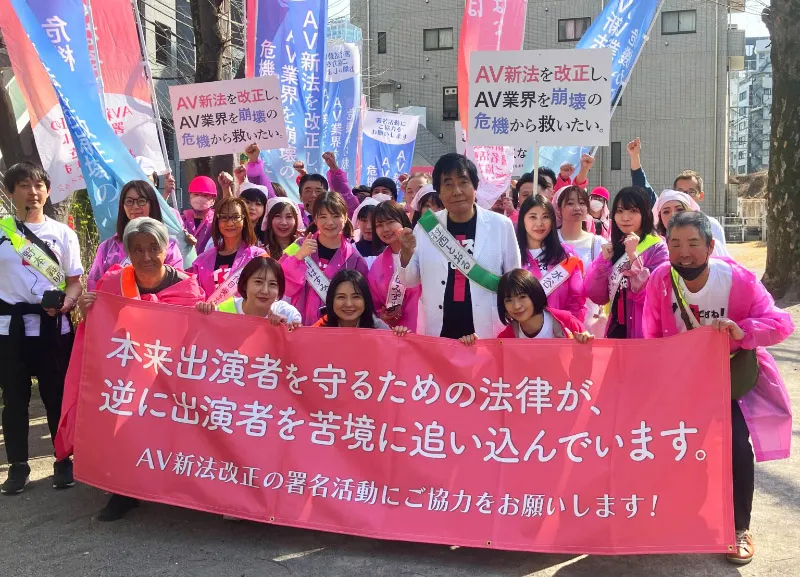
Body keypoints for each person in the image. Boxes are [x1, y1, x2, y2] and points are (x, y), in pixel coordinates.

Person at [643, 211, 794, 565]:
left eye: (693, 244)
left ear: (711, 246)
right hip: (680, 382)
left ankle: (739, 529)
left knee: (736, 445)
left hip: (728, 382)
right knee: (669, 446)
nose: (684, 253)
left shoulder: (738, 279)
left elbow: (781, 323)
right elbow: (649, 334)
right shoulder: (660, 280)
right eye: (675, 244)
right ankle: (678, 518)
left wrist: (744, 330)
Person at [62, 217, 205, 521]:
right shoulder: (113, 283)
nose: (146, 256)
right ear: (128, 252)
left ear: (166, 249)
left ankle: (174, 485)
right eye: (137, 249)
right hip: (127, 375)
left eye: (154, 248)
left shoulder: (187, 288)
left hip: (169, 374)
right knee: (123, 427)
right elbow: (100, 331)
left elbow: (199, 338)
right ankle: (123, 491)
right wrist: (88, 312)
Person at [0, 162, 83, 495]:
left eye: (38, 186)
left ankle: (63, 459)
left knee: (56, 396)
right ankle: (18, 465)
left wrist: (67, 303)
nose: (32, 193)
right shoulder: (2, 231)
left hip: (51, 327)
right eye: (23, 186)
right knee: (14, 399)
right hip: (10, 329)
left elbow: (74, 282)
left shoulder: (63, 234)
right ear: (10, 192)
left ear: (47, 191)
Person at [399, 153, 520, 341]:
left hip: (486, 330)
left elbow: (514, 279)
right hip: (439, 330)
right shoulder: (426, 227)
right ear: (439, 192)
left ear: (475, 186)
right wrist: (406, 253)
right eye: (448, 184)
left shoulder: (501, 225)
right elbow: (410, 281)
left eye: (463, 182)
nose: (456, 191)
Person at [584, 186, 668, 339]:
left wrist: (633, 256)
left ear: (645, 213)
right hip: (616, 329)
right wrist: (603, 262)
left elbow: (656, 295)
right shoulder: (615, 246)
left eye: (633, 211)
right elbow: (596, 295)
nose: (625, 217)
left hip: (644, 332)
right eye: (620, 211)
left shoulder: (658, 247)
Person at [627, 137, 730, 255]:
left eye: (691, 192)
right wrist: (634, 157)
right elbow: (643, 189)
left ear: (700, 195)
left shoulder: (712, 226)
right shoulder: (656, 239)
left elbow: (723, 261)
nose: (673, 214)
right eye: (680, 191)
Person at [281, 192, 369, 325]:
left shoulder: (354, 259)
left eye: (336, 216)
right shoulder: (298, 246)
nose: (330, 222)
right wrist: (298, 258)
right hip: (298, 325)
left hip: (335, 329)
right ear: (315, 219)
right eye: (323, 216)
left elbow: (362, 300)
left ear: (345, 218)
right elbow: (282, 285)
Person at [88, 180, 183, 290]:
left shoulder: (169, 246)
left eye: (141, 201)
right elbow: (94, 284)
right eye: (129, 201)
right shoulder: (107, 247)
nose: (135, 206)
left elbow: (178, 286)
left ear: (152, 204)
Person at [516, 195, 586, 321]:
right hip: (523, 330)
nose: (539, 223)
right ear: (523, 220)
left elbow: (577, 300)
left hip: (560, 329)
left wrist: (566, 327)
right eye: (533, 217)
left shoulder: (566, 256)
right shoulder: (513, 256)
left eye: (545, 217)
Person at [188, 197, 266, 304]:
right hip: (210, 314)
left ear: (245, 220)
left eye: (236, 217)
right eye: (224, 217)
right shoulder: (202, 261)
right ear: (217, 221)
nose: (230, 223)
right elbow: (194, 295)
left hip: (244, 314)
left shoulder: (258, 257)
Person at [555, 185, 607, 334]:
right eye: (570, 203)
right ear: (559, 209)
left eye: (582, 203)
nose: (577, 208)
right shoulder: (550, 241)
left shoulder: (598, 243)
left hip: (590, 320)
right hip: (556, 320)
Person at [368, 201, 422, 332]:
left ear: (402, 220)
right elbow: (374, 304)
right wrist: (383, 316)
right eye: (379, 225)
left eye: (390, 222)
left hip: (424, 329)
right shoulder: (377, 264)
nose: (385, 229)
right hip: (395, 334)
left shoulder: (422, 253)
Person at [495, 269, 592, 342]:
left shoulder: (566, 321)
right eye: (509, 300)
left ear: (535, 295)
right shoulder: (505, 339)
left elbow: (586, 358)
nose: (516, 306)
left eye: (522, 297)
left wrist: (585, 341)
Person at [211, 256, 302, 327]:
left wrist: (287, 327)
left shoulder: (288, 313)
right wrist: (205, 312)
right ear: (245, 284)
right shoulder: (222, 311)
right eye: (258, 282)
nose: (265, 291)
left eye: (272, 284)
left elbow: (298, 340)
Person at [313, 269, 408, 336]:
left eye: (356, 297)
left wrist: (400, 336)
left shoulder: (379, 329)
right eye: (341, 297)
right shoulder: (321, 327)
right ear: (331, 300)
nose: (349, 304)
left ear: (366, 299)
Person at [181, 175, 218, 255]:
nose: (200, 198)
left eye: (205, 195)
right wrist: (166, 193)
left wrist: (226, 188)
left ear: (213, 200)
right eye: (196, 194)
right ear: (190, 197)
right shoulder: (182, 220)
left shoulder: (217, 221)